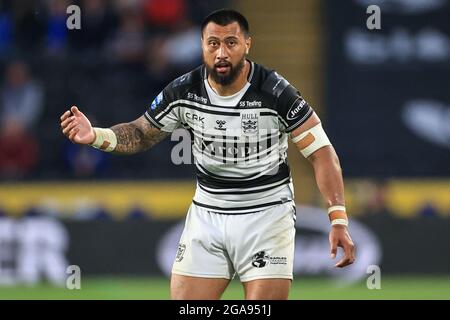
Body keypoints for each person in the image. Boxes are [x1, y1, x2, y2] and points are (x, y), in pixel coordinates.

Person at [60, 9, 355, 300]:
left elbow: (321, 153)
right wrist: (95, 135)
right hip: (208, 214)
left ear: (247, 45)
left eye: (231, 43)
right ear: (202, 45)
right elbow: (141, 133)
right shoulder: (184, 90)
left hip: (266, 215)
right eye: (213, 43)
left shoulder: (276, 93)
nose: (221, 53)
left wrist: (338, 218)